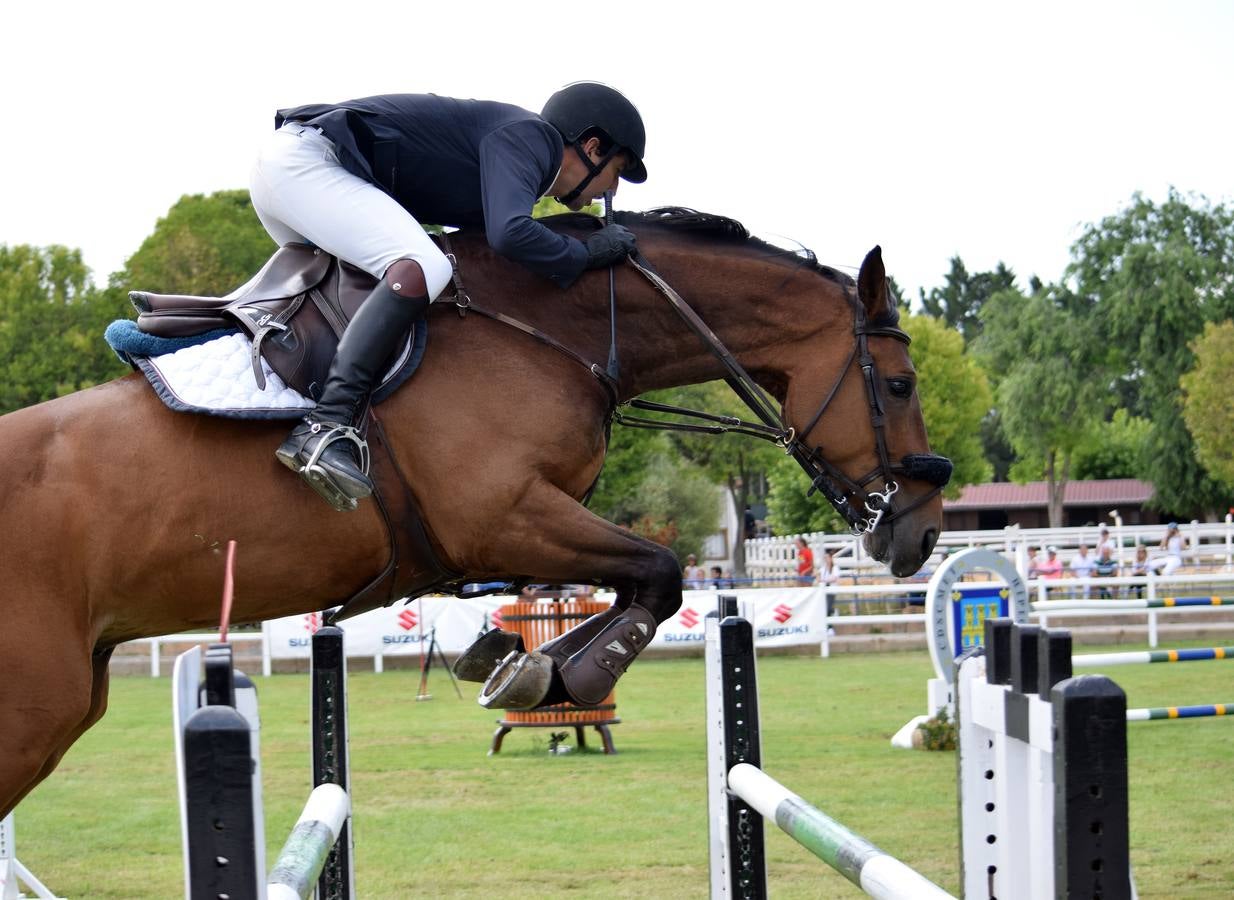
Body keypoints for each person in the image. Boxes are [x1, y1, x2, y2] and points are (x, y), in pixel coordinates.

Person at [249, 83, 648, 510]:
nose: (612, 190)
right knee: (423, 267)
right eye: (617, 172)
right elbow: (510, 234)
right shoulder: (533, 139)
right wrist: (585, 254)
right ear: (592, 147)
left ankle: (293, 416)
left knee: (367, 295)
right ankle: (325, 425)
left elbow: (485, 254)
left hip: (293, 170)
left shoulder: (520, 165)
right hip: (309, 165)